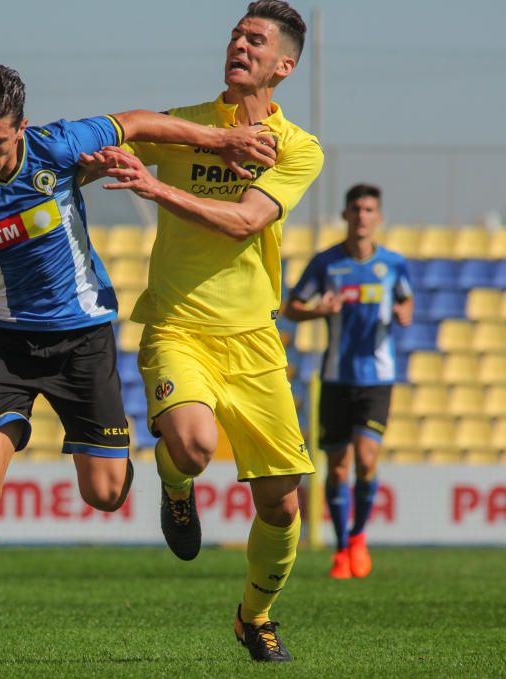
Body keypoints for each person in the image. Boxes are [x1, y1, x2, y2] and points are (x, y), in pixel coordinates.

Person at [0, 62, 277, 668]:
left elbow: (135, 122)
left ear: (21, 128)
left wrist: (223, 139)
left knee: (106, 495)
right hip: (0, 344)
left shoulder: (55, 146)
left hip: (83, 339)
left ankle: (169, 478)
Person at [80, 0, 322, 663]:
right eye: (236, 36)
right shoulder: (185, 125)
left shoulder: (298, 148)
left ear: (284, 65)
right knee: (191, 445)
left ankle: (255, 616)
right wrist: (94, 157)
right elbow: (117, 139)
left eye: (256, 40)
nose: (240, 46)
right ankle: (176, 484)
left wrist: (154, 192)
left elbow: (246, 221)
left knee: (282, 504)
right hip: (177, 327)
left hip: (254, 341)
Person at [285, 183, 414, 579]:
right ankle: (342, 549)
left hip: (377, 379)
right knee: (338, 468)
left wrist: (402, 313)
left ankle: (358, 538)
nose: (361, 216)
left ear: (378, 217)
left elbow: (406, 301)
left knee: (367, 458)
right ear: (345, 216)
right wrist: (317, 310)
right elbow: (292, 306)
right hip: (336, 378)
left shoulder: (393, 264)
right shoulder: (327, 263)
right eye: (355, 209)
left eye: (369, 209)